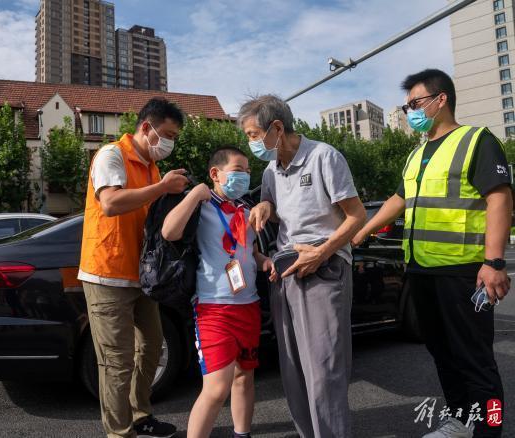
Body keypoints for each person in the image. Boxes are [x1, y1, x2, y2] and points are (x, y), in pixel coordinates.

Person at [352, 69, 512, 438]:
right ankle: (458, 421)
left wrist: (494, 262)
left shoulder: (476, 140)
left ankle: (489, 430)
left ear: (441, 100)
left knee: (476, 360)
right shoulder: (417, 153)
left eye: (415, 103)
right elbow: (400, 199)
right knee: (443, 353)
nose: (410, 112)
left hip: (466, 272)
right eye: (406, 106)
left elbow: (499, 197)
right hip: (422, 270)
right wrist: (362, 230)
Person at [238, 95, 366, 438]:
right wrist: (265, 204)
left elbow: (357, 216)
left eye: (254, 134)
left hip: (323, 270)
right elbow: (278, 210)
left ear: (277, 128)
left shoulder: (324, 157)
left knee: (324, 369)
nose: (251, 143)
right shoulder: (270, 170)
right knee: (293, 370)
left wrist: (322, 252)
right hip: (285, 272)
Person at [78, 98, 189, 438]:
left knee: (152, 346)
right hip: (106, 273)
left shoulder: (152, 167)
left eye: (174, 136)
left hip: (140, 275)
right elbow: (110, 203)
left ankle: (141, 415)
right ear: (146, 128)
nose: (169, 142)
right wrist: (161, 188)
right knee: (117, 361)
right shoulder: (112, 155)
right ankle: (119, 432)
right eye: (167, 134)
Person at [162, 147, 273, 438]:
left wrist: (264, 262)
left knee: (244, 377)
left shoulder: (245, 210)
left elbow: (251, 252)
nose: (246, 175)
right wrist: (194, 195)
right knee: (216, 388)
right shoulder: (202, 206)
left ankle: (242, 433)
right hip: (213, 308)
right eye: (239, 169)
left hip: (249, 305)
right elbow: (169, 232)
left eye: (249, 171)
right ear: (216, 173)